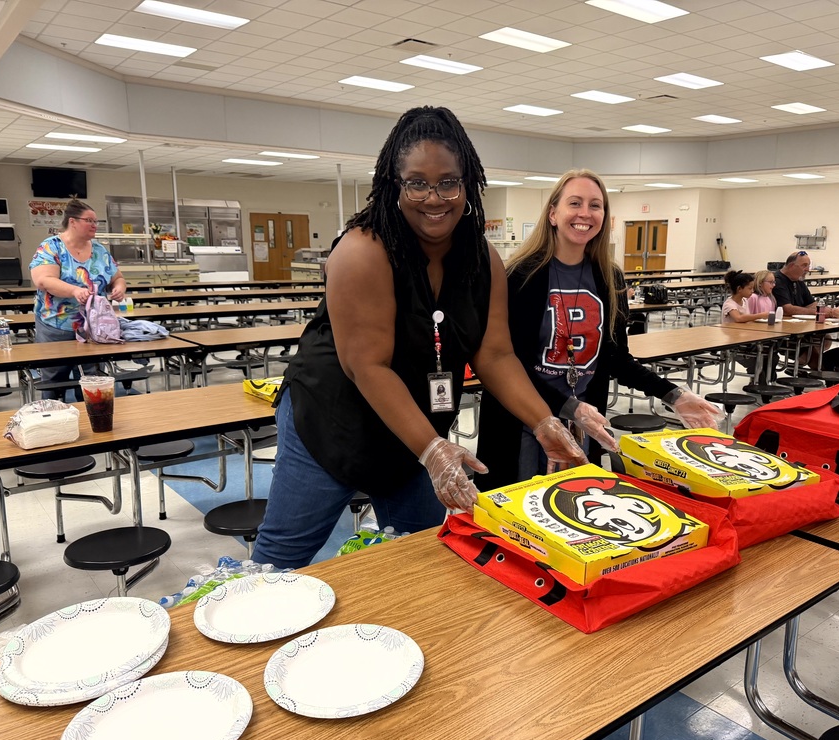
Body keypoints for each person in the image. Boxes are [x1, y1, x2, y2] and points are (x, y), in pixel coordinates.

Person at [251, 106, 586, 569]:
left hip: (414, 427)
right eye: (417, 183)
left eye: (448, 182)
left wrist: (543, 421)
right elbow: (366, 366)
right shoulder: (363, 251)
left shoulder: (482, 260)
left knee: (424, 556)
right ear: (395, 184)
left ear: (468, 184)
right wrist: (432, 450)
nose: (434, 198)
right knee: (281, 558)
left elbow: (495, 354)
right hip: (332, 422)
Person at [476, 169, 720, 490]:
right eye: (574, 203)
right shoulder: (521, 275)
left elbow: (616, 358)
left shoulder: (609, 277)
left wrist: (672, 394)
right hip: (522, 424)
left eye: (595, 205)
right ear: (553, 214)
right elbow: (509, 365)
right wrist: (569, 408)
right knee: (523, 508)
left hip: (584, 421)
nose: (585, 213)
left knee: (574, 505)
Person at [29, 199, 126, 398]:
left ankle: (91, 414)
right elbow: (43, 280)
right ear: (72, 222)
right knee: (54, 381)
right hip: (56, 325)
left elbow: (117, 277)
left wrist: (119, 287)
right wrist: (74, 291)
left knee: (92, 381)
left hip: (92, 327)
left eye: (96, 221)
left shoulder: (99, 250)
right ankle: (54, 415)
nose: (94, 225)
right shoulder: (51, 247)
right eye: (89, 220)